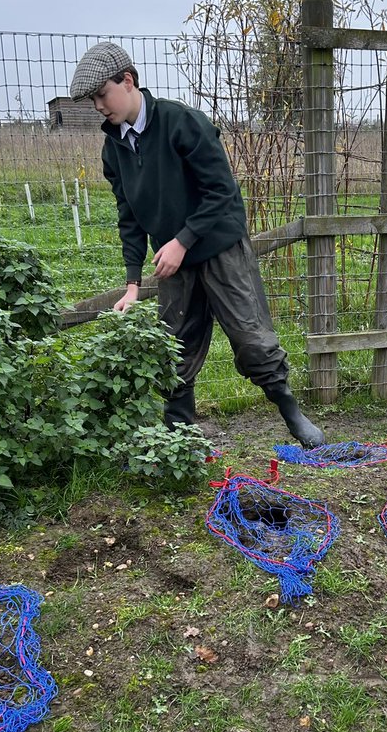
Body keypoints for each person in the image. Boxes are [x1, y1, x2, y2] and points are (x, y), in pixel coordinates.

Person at [69, 42, 325, 447]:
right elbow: (130, 216)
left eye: (102, 94)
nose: (98, 106)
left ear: (128, 81)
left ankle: (292, 414)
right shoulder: (113, 149)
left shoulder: (182, 123)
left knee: (252, 341)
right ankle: (179, 440)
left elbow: (222, 192)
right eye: (92, 99)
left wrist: (182, 241)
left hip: (220, 248)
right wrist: (133, 283)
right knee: (175, 349)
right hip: (176, 263)